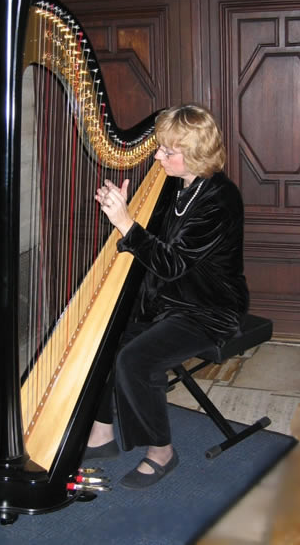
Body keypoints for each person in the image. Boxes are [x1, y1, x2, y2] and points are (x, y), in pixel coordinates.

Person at [85, 103, 249, 488]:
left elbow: (172, 262)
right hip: (169, 300)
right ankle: (102, 431)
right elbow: (157, 245)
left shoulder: (220, 200)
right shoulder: (179, 185)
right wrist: (128, 224)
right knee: (106, 338)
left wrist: (126, 222)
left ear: (194, 154)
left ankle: (162, 452)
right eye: (159, 147)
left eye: (167, 151)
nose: (157, 156)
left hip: (209, 310)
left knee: (135, 360)